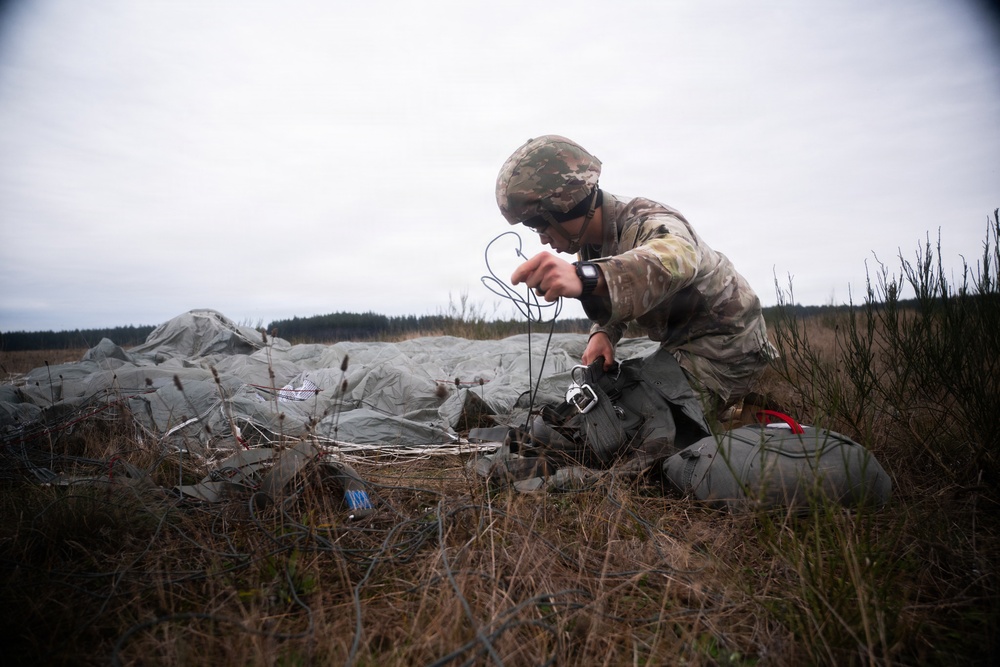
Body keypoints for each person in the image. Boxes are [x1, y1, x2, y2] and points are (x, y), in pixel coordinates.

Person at [496, 134, 776, 420]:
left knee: (632, 425)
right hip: (682, 347)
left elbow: (675, 257)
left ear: (566, 205)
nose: (543, 239)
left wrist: (586, 277)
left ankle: (742, 417)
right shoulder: (592, 242)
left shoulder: (648, 220)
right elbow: (616, 291)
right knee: (602, 406)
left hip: (728, 349)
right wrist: (603, 332)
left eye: (541, 225)